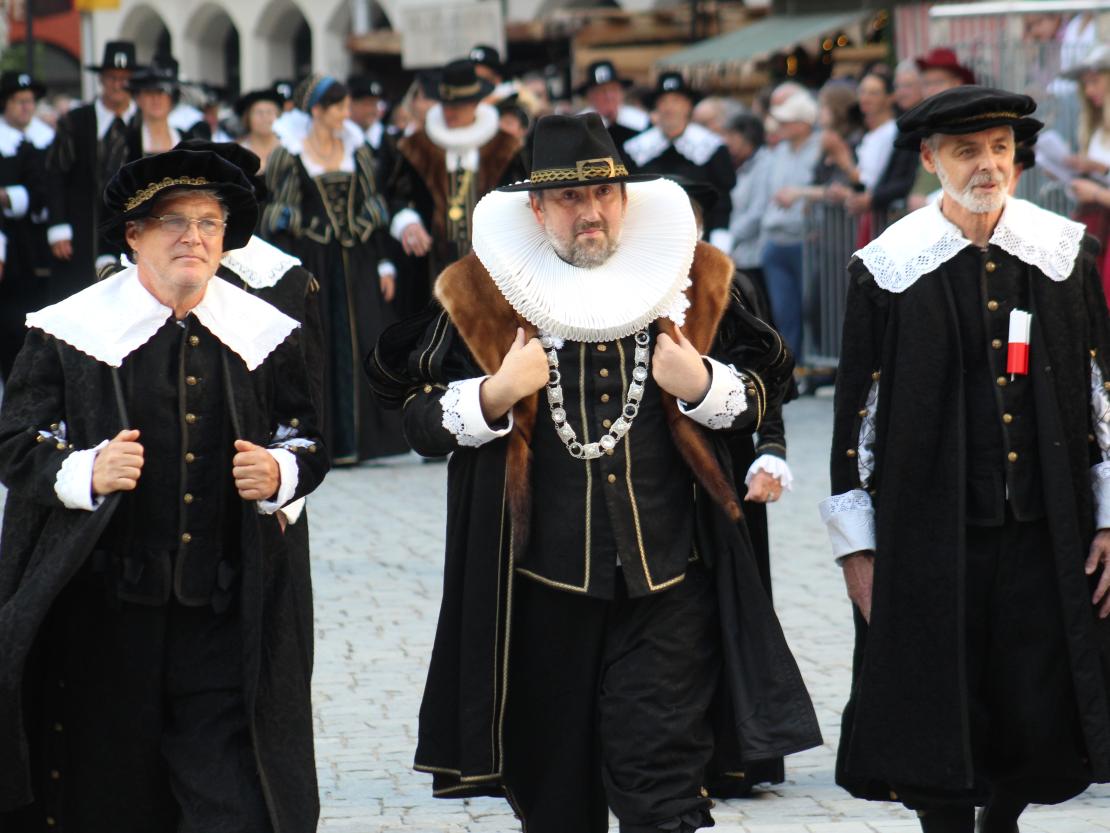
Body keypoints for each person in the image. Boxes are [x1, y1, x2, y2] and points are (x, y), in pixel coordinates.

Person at [367, 112, 820, 833]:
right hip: (541, 586)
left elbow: (768, 384)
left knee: (662, 779)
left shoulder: (695, 278)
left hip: (669, 579)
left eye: (605, 193)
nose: (591, 212)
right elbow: (411, 411)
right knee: (555, 795)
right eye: (571, 199)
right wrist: (493, 394)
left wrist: (700, 381)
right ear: (538, 209)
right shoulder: (483, 294)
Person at [0, 146, 328, 833]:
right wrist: (85, 470)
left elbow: (308, 434)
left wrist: (281, 473)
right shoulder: (69, 332)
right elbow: (15, 442)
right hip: (106, 620)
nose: (194, 237)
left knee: (234, 807)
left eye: (209, 223)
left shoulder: (264, 334)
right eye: (173, 222)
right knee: (115, 805)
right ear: (134, 235)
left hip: (221, 621)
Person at [822, 86, 1110, 833]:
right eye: (966, 151)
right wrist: (857, 548)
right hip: (928, 526)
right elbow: (856, 417)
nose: (988, 166)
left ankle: (1002, 816)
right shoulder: (885, 269)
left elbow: (1100, 390)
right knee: (933, 693)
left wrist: (1108, 517)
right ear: (928, 159)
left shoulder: (1063, 254)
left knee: (1034, 693)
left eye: (999, 149)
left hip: (1042, 521)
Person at [262, 75, 405, 465]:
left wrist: (383, 263)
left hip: (356, 263)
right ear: (317, 111)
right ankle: (329, 440)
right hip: (316, 261)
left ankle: (364, 441)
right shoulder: (290, 154)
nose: (346, 113)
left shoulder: (355, 149)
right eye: (338, 107)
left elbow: (372, 209)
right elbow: (278, 217)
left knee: (362, 339)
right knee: (320, 342)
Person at [386, 59, 526, 308]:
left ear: (475, 104)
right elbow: (396, 195)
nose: (449, 113)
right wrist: (408, 222)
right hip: (429, 269)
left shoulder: (505, 148)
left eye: (457, 106)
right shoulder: (416, 147)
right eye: (445, 104)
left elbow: (522, 202)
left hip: (492, 270)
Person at [45, 40, 140, 300]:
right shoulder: (76, 120)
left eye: (124, 78)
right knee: (75, 296)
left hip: (127, 227)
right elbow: (55, 173)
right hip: (80, 226)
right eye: (112, 77)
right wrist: (58, 225)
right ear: (101, 80)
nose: (117, 84)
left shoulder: (142, 123)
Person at [624, 72, 736, 252]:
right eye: (664, 102)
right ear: (656, 108)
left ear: (688, 106)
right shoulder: (636, 149)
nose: (670, 108)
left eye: (676, 100)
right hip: (649, 242)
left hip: (700, 242)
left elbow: (723, 199)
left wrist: (720, 241)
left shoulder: (711, 147)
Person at [759, 88, 822, 367]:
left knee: (812, 308)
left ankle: (814, 367)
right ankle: (791, 369)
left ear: (804, 122)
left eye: (787, 121)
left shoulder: (822, 145)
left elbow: (834, 189)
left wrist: (801, 193)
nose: (780, 126)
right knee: (784, 312)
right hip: (776, 239)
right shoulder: (778, 151)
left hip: (806, 238)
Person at [0, 71, 53, 382]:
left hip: (38, 249)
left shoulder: (45, 139)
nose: (26, 108)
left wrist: (10, 196)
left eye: (30, 101)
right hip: (9, 250)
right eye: (19, 102)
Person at [724, 113, 773, 296]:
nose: (727, 141)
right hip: (742, 255)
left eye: (732, 136)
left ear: (747, 138)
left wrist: (729, 238)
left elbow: (758, 212)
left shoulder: (765, 165)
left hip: (756, 257)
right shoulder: (742, 165)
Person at [127, 63, 209, 159]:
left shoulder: (187, 143)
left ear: (171, 98)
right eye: (149, 92)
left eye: (162, 92)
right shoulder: (127, 143)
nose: (156, 99)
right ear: (138, 98)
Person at [576, 59, 649, 158]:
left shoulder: (641, 122)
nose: (609, 96)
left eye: (613, 89)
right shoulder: (580, 127)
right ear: (590, 96)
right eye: (601, 91)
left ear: (621, 93)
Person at [235, 88, 284, 173]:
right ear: (247, 118)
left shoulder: (289, 150)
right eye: (259, 112)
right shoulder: (237, 153)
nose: (265, 117)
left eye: (269, 112)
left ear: (278, 116)